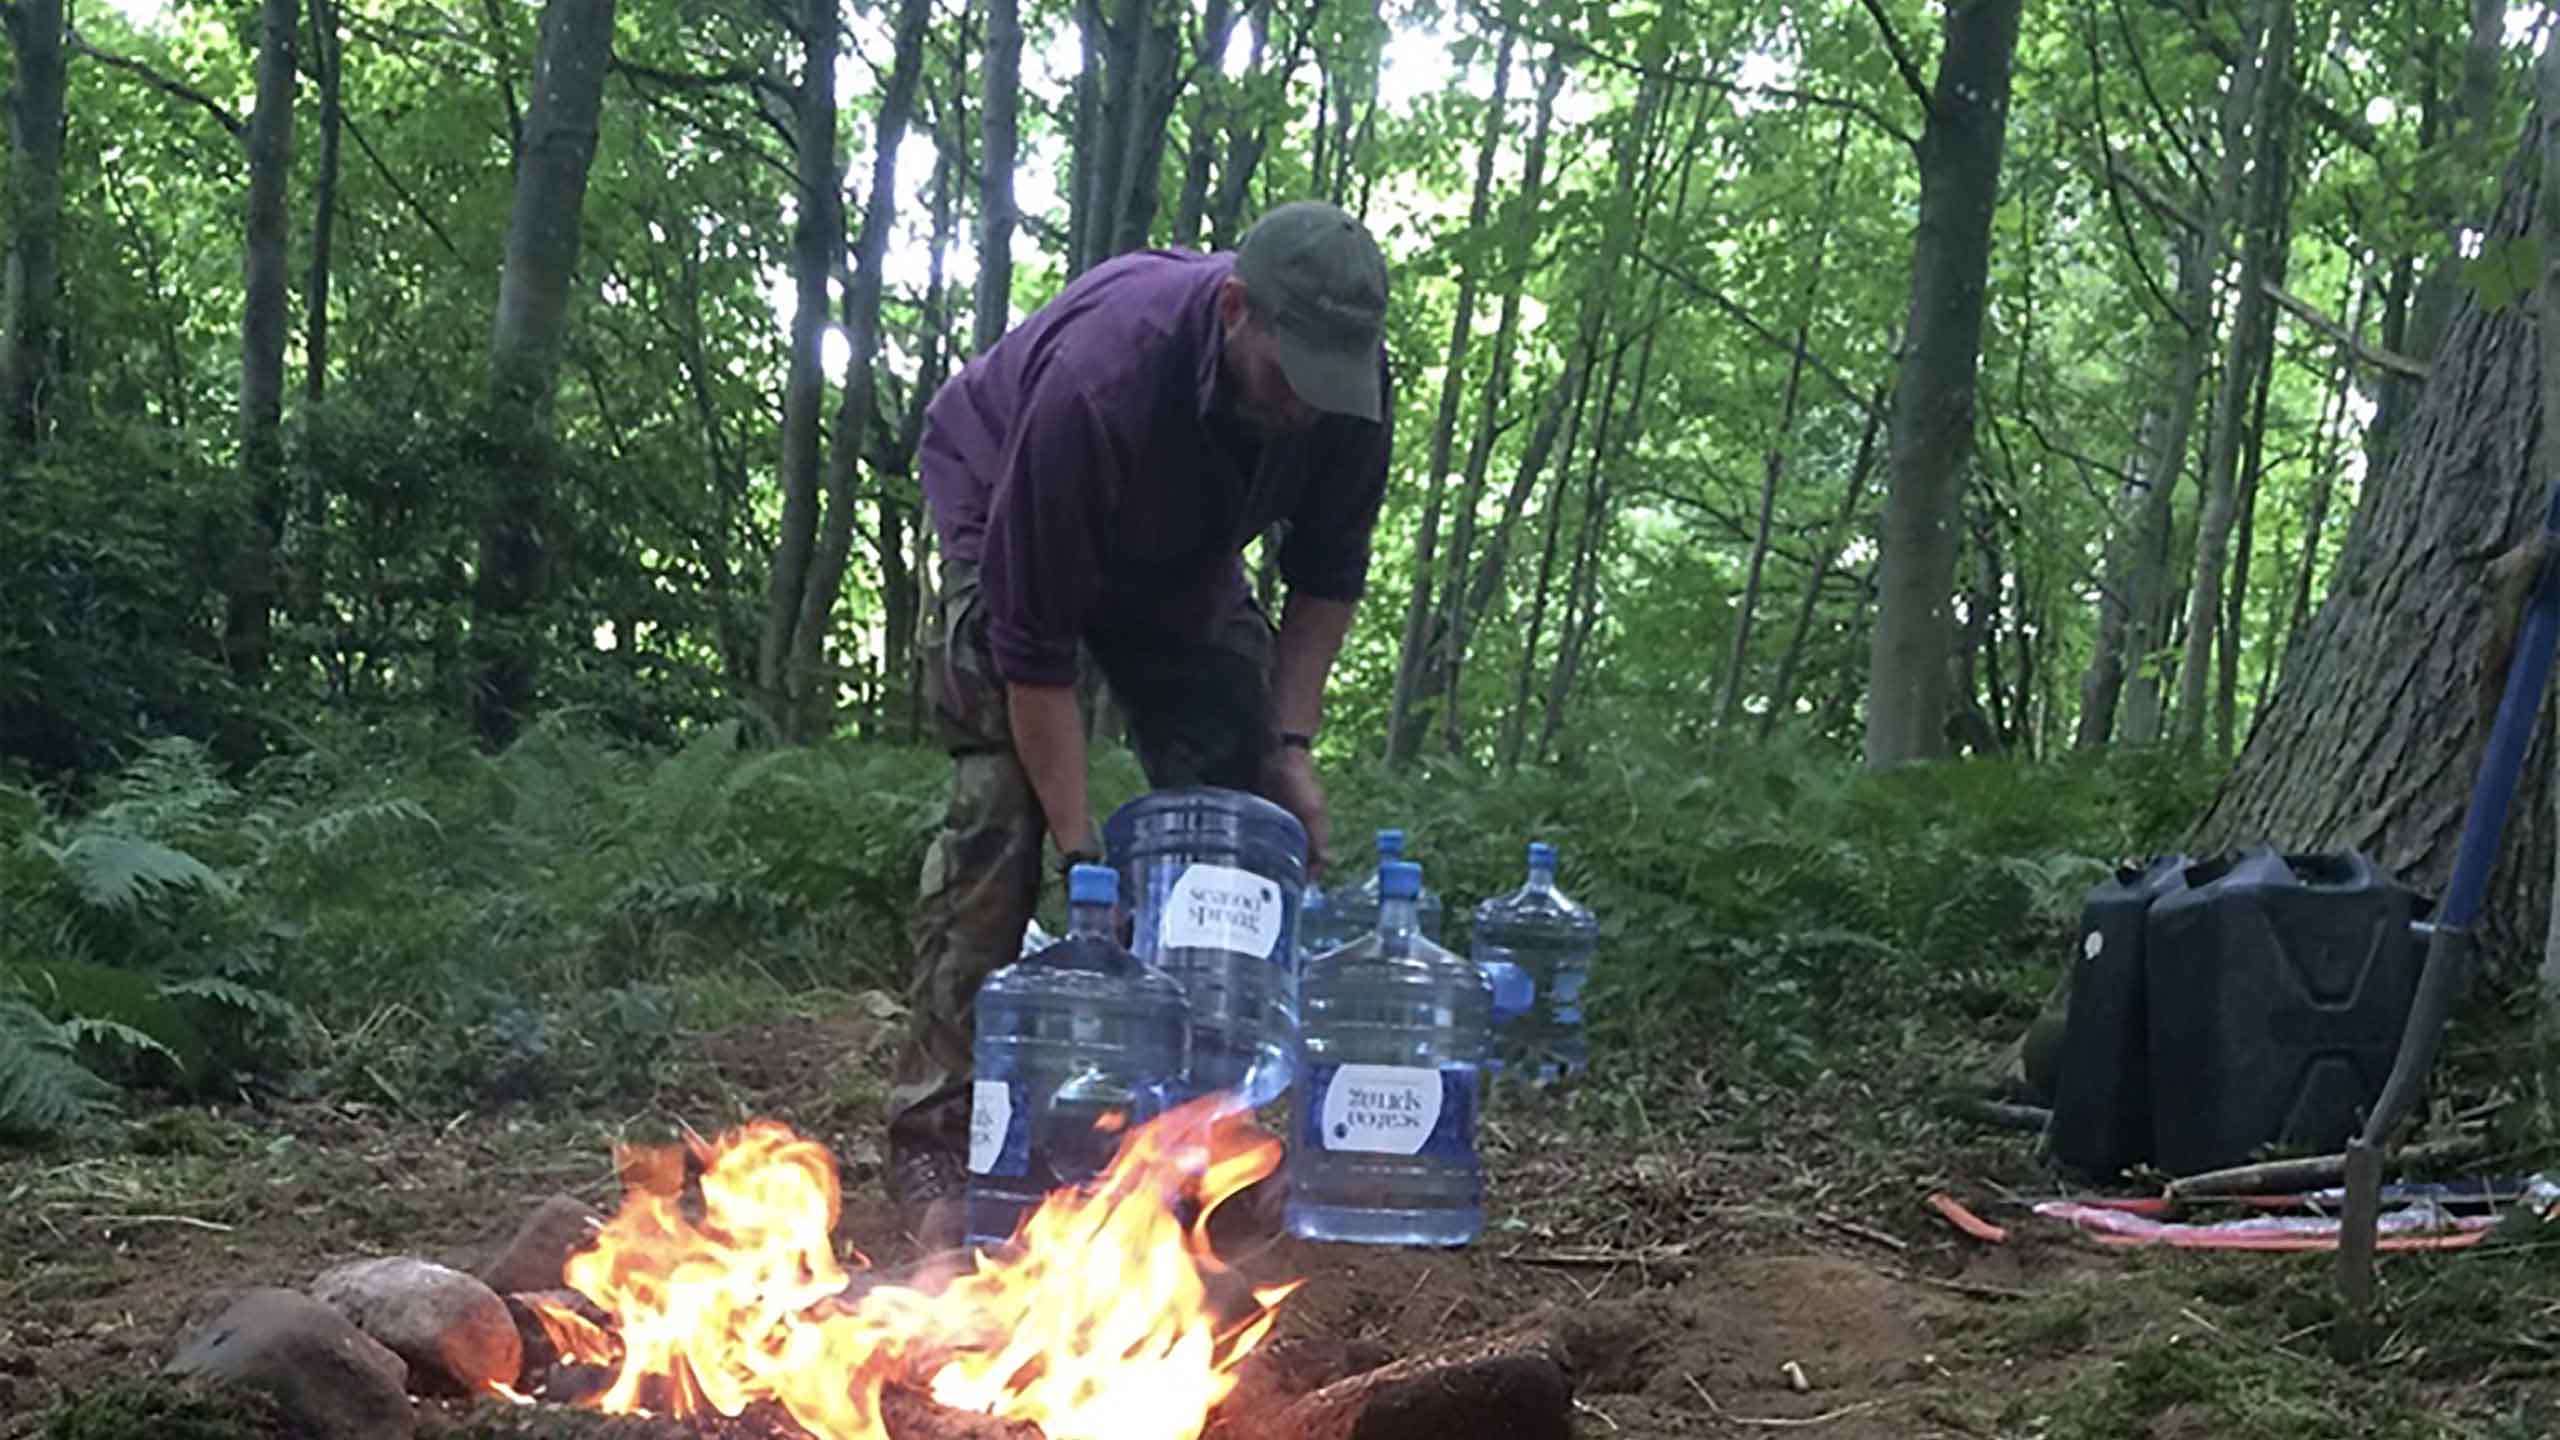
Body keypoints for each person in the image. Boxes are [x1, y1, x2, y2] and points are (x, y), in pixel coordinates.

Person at [885, 200, 1398, 1243]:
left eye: (1328, 383)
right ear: (1234, 311)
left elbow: (1326, 578)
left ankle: (1201, 1137)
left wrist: (1289, 749)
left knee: (1240, 804)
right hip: (1008, 506)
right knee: (1000, 802)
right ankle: (943, 1135)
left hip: (1184, 551)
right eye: (1286, 375)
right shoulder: (1098, 383)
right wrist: (1085, 859)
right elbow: (1032, 657)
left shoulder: (1349, 395)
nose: (1307, 406)